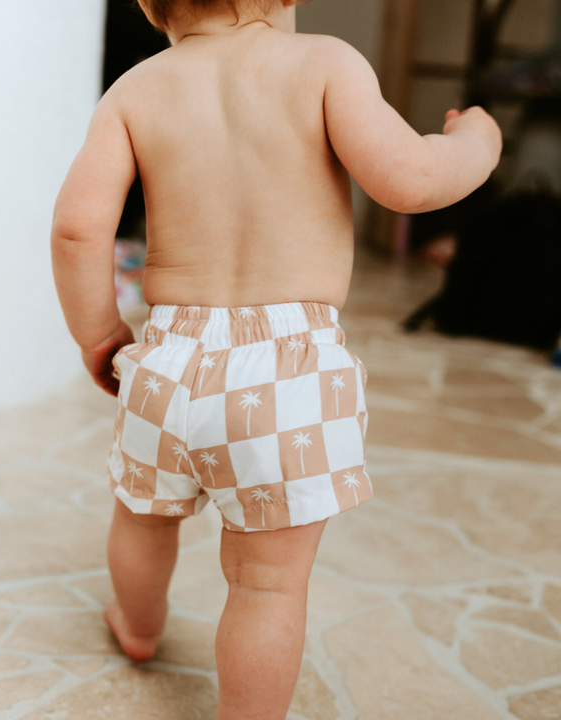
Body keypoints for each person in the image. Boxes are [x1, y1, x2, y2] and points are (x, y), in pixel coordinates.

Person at [50, 0, 502, 715]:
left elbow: (78, 229)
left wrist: (98, 332)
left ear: (147, 4)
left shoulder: (135, 89)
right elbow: (412, 180)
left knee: (141, 514)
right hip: (286, 375)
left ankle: (137, 627)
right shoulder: (324, 64)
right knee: (266, 584)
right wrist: (479, 140)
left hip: (167, 359)